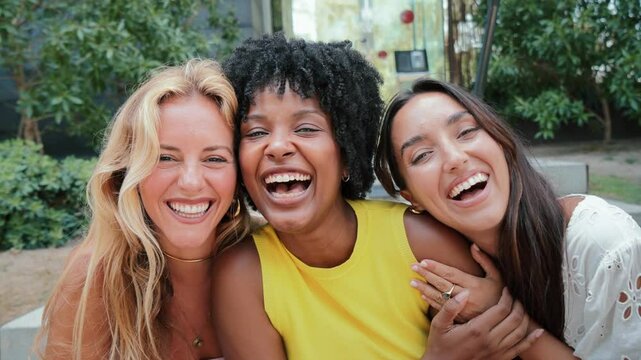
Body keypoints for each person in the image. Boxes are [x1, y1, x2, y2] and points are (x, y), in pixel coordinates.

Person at [212, 33, 541, 359]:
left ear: (346, 156)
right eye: (256, 133)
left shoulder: (420, 244)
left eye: (306, 129)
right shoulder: (243, 275)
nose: (279, 146)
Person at [375, 77, 641, 359]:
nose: (455, 158)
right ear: (410, 197)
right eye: (423, 155)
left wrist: (501, 315)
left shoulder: (605, 245)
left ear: (499, 140)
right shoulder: (438, 279)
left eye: (465, 132)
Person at [37, 59, 251, 360]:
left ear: (240, 175)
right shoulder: (95, 276)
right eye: (165, 158)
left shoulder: (269, 258)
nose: (190, 182)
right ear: (129, 172)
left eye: (214, 159)